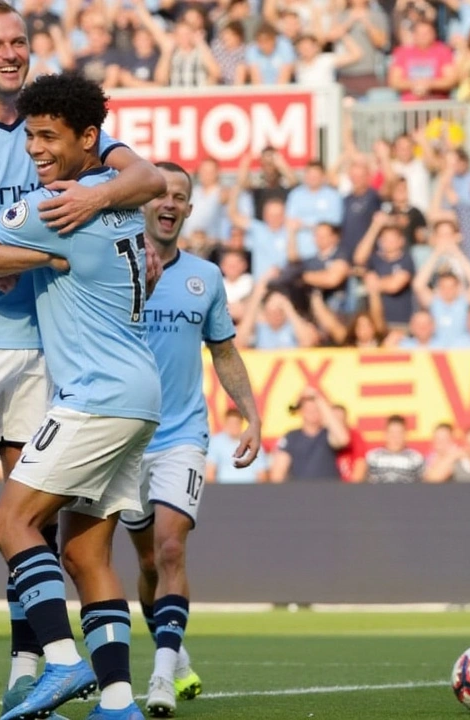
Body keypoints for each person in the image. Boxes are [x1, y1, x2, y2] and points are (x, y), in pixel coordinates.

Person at [0, 1, 165, 717]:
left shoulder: (60, 131)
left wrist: (101, 196)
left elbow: (146, 178)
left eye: (19, 40)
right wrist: (44, 251)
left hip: (46, 346)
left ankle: (31, 667)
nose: (10, 53)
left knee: (32, 517)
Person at [118, 162, 262, 716]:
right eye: (161, 195)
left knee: (172, 546)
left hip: (183, 433)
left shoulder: (205, 277)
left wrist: (249, 414)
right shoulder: (113, 268)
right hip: (123, 438)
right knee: (149, 563)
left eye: (181, 196)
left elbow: (223, 351)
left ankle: (159, 678)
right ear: (143, 205)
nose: (170, 203)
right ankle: (174, 651)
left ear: (189, 208)